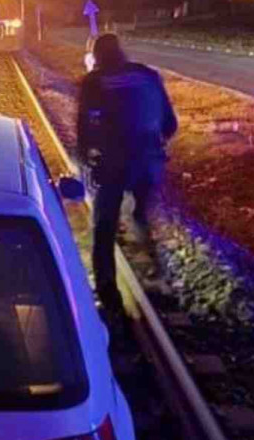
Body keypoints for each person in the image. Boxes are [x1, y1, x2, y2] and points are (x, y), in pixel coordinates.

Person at [76, 32, 178, 318]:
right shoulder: (148, 75)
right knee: (141, 216)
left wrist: (89, 158)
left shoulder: (94, 81)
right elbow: (170, 124)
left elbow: (85, 130)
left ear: (95, 57)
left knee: (104, 225)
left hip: (114, 165)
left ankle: (107, 291)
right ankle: (158, 279)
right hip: (149, 161)